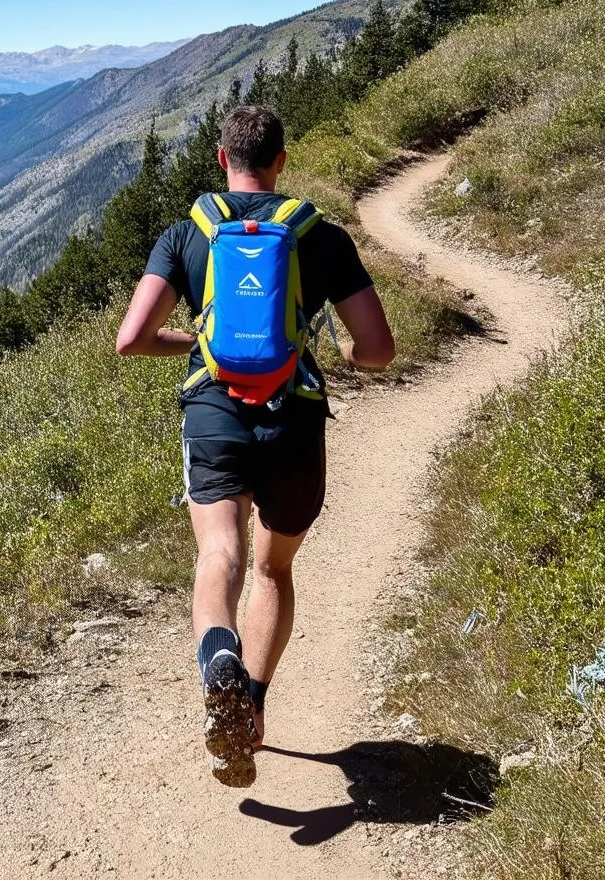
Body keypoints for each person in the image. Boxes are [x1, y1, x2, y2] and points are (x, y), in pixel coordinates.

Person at [115, 105, 394, 787]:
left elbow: (132, 339)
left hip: (213, 410)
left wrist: (203, 344)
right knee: (272, 570)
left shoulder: (187, 235)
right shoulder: (321, 238)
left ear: (222, 159)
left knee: (220, 553)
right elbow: (379, 350)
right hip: (293, 420)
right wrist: (321, 352)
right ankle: (255, 705)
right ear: (282, 161)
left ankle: (219, 662)